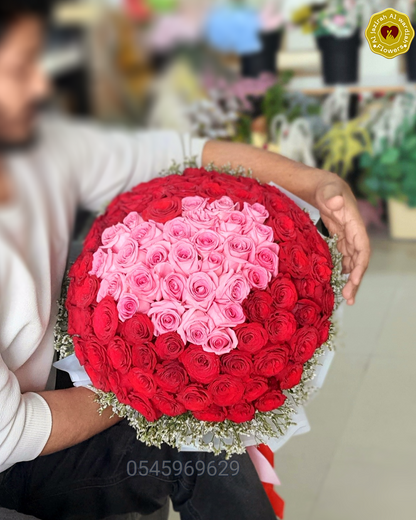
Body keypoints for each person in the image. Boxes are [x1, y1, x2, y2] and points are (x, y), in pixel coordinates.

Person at [0, 2, 371, 519]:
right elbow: (12, 431)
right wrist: (151, 382)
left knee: (206, 440)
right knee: (194, 449)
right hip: (11, 454)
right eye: (18, 73)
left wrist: (321, 186)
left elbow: (190, 152)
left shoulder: (41, 147)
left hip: (32, 401)